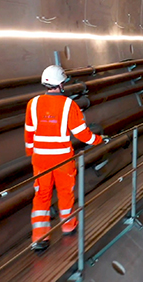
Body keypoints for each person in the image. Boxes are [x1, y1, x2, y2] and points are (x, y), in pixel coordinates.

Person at [24, 65, 108, 252]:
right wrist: (98, 140)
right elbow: (82, 133)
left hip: (40, 159)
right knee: (65, 192)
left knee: (41, 195)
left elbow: (29, 131)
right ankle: (68, 226)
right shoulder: (69, 105)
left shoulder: (33, 104)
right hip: (61, 159)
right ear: (61, 84)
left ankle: (40, 237)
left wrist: (32, 153)